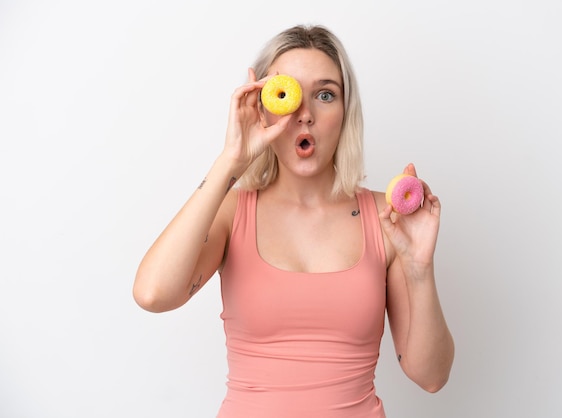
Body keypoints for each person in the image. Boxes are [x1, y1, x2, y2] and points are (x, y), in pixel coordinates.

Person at [133, 24, 454, 418]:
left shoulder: (386, 218)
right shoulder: (232, 213)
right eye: (290, 94)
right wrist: (230, 162)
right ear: (262, 107)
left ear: (345, 111)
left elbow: (431, 376)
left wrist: (420, 268)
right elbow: (153, 294)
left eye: (325, 94)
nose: (305, 114)